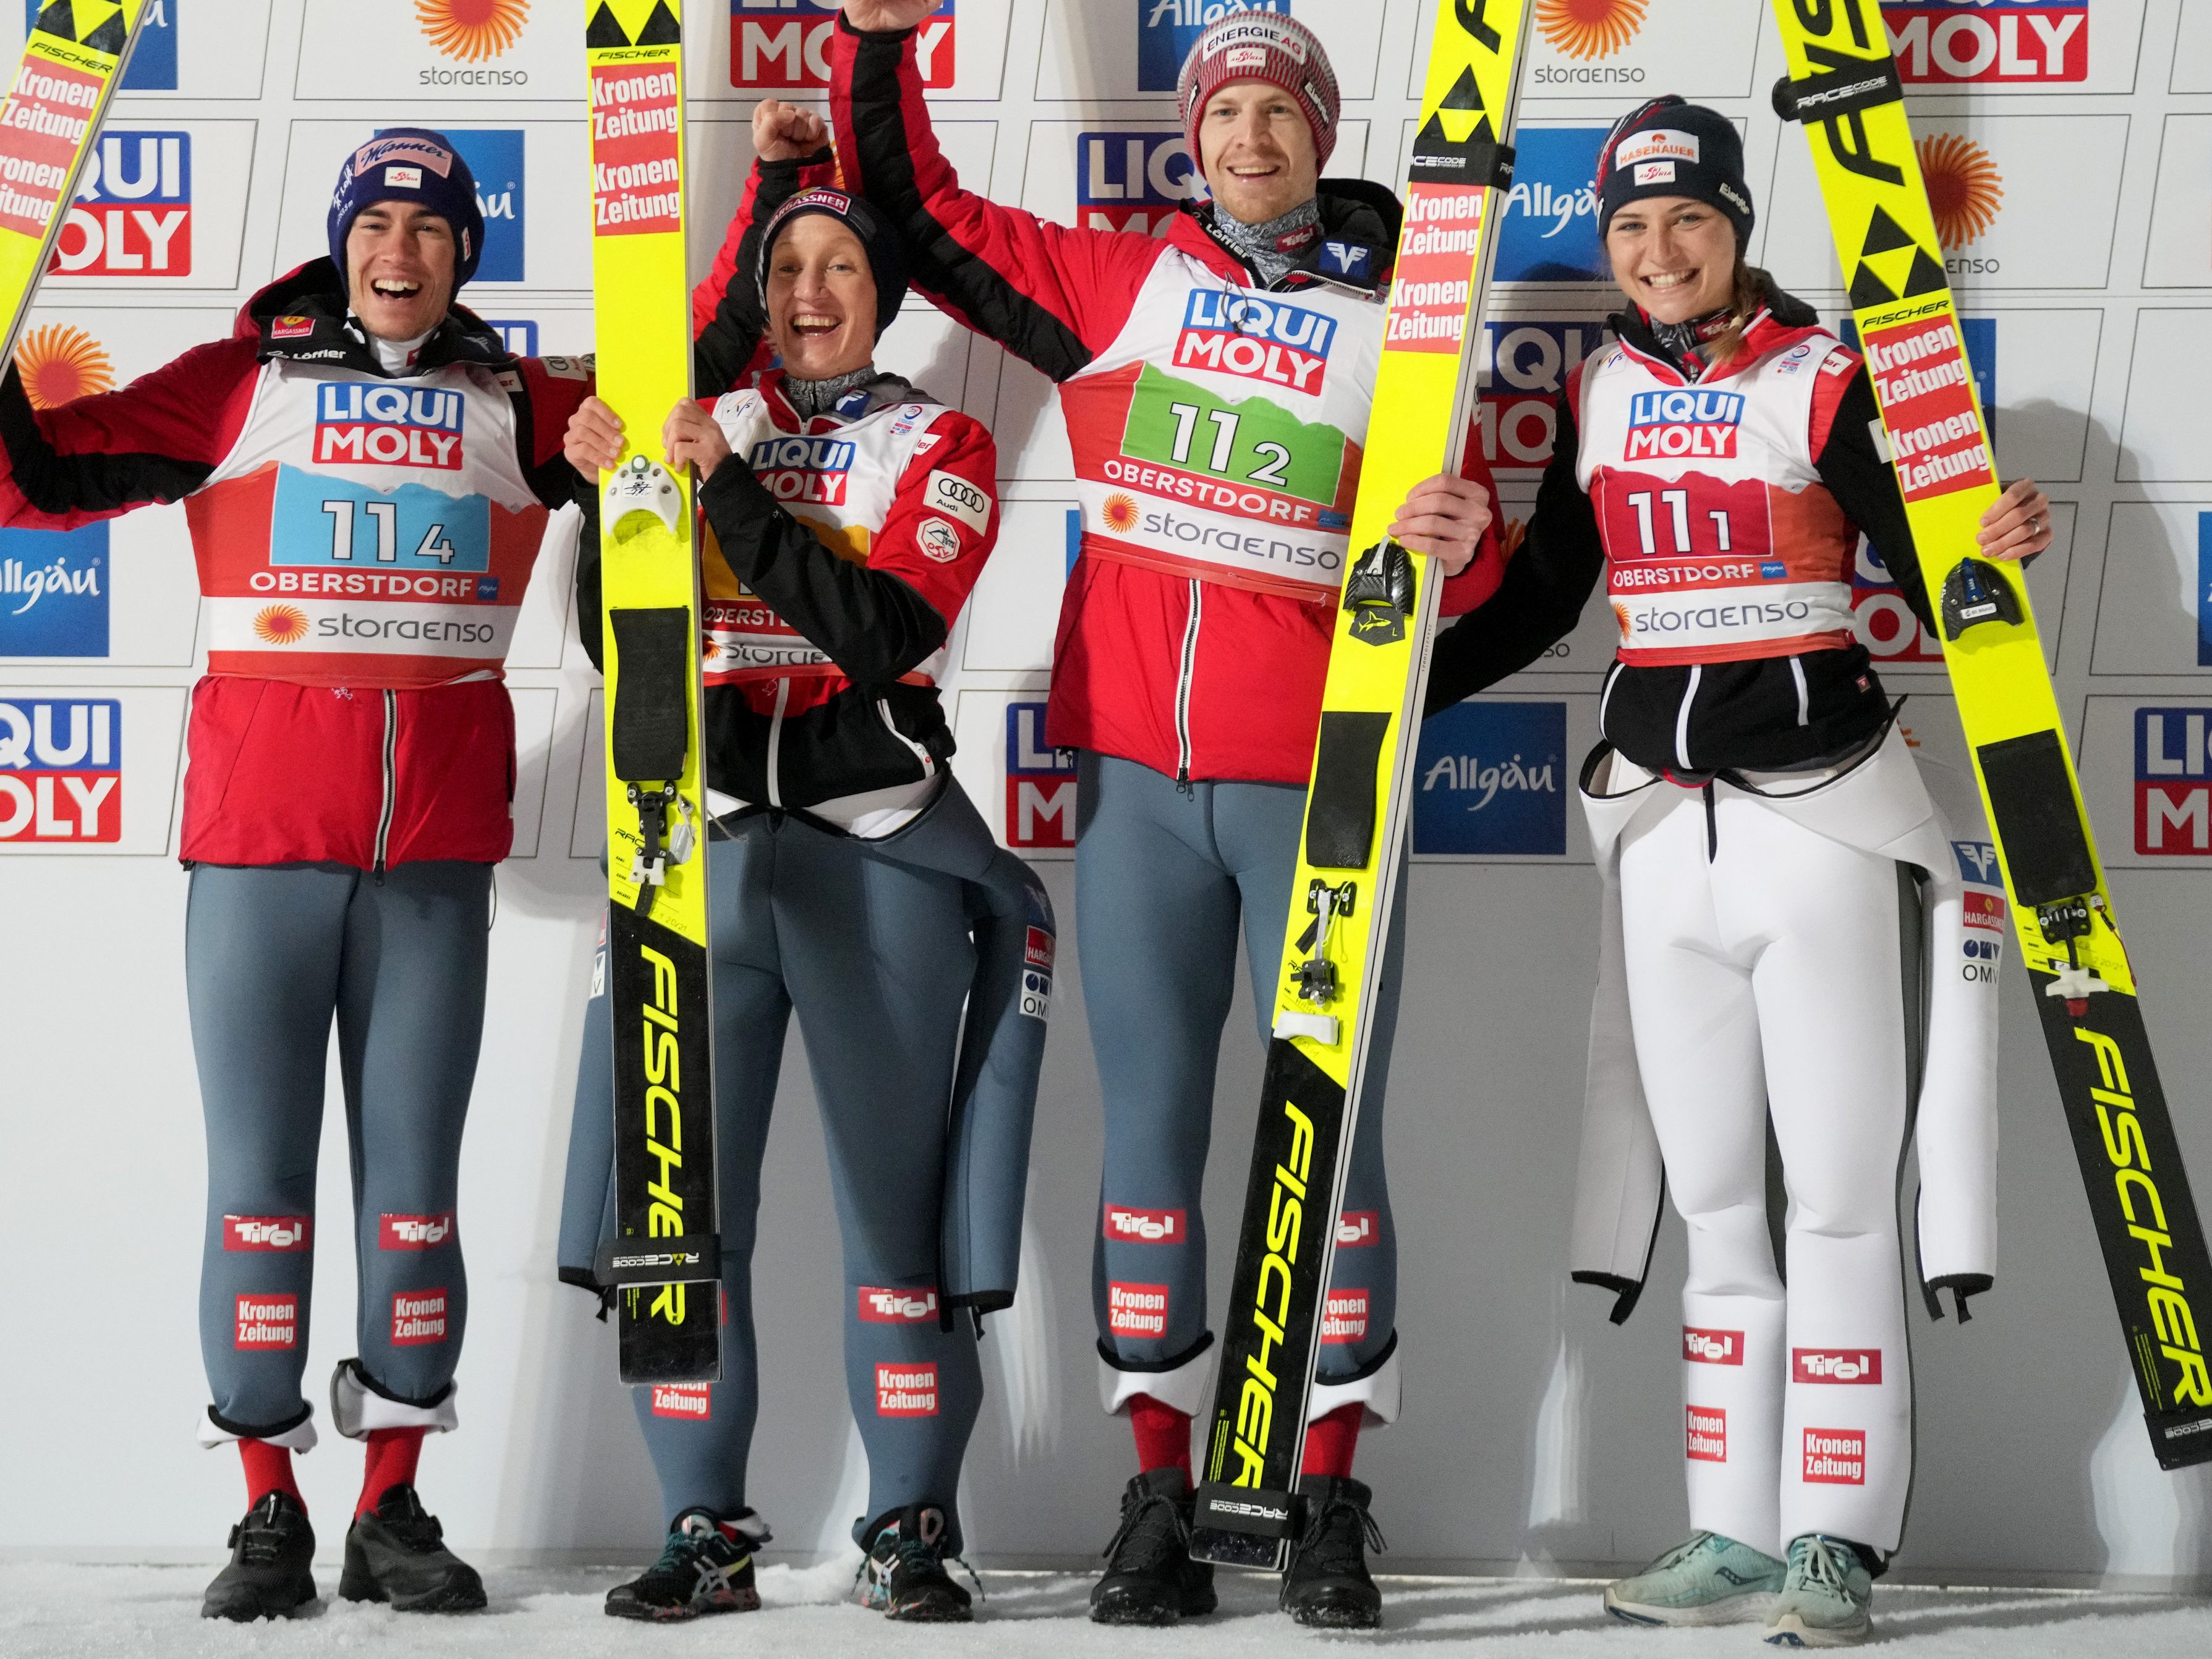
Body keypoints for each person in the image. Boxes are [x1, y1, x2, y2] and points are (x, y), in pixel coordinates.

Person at [801, 1, 1507, 1630]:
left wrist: (1459, 530)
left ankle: (1328, 1489)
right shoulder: (1124, 288)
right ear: (1188, 143)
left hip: (1320, 797)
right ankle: (1160, 1490)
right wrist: (879, 40)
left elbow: (1450, 570)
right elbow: (917, 214)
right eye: (1221, 113)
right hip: (1133, 796)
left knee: (1329, 1156)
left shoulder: (1402, 327)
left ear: (1321, 140)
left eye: (1279, 112)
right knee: (1148, 1149)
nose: (1246, 136)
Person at [1427, 97, 2036, 1647]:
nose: (1656, 250)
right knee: (1714, 1206)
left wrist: (1987, 547)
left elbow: (1912, 548)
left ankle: (1834, 1540)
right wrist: (1394, 667)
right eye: (1630, 229)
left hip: (1813, 819)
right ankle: (1729, 1529)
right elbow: (1552, 597)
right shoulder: (1599, 385)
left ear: (1736, 225)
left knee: (1836, 1200)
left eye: (1683, 220)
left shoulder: (1820, 372)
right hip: (1657, 833)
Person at [0, 130, 594, 1620]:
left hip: (432, 868)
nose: (402, 249)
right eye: (377, 222)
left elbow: (687, 398)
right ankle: (267, 1506)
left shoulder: (524, 405)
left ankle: (392, 1504)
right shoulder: (240, 381)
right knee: (261, 1195)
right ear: (342, 243)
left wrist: (766, 214)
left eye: (434, 227)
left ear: (469, 255)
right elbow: (36, 483)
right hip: (261, 856)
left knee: (414, 1205)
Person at [555, 102, 1052, 1627]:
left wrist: (722, 494)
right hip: (702, 852)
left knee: (890, 1225)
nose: (811, 291)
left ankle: (913, 1525)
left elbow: (885, 636)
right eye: (788, 269)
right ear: (759, 292)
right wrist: (605, 500)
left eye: (841, 264)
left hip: (873, 850)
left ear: (882, 293)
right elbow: (614, 649)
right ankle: (704, 1527)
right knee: (678, 1224)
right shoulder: (705, 421)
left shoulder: (938, 438)